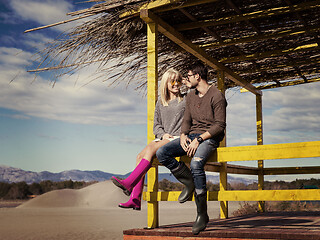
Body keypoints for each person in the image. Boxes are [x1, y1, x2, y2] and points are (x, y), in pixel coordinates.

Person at [156, 63, 227, 235]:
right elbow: (186, 120)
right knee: (162, 153)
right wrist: (182, 135)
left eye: (188, 76)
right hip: (191, 136)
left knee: (196, 164)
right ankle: (189, 182)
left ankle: (202, 215)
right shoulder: (190, 96)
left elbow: (220, 126)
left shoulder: (217, 96)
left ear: (197, 77)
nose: (185, 80)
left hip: (209, 138)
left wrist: (200, 139)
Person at [111, 68, 188, 210]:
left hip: (179, 137)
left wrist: (184, 80)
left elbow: (195, 89)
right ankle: (135, 199)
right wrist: (163, 134)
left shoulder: (185, 98)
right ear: (166, 83)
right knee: (139, 156)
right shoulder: (160, 102)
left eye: (178, 80)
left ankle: (129, 183)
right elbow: (156, 125)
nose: (176, 84)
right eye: (172, 81)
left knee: (151, 148)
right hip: (165, 137)